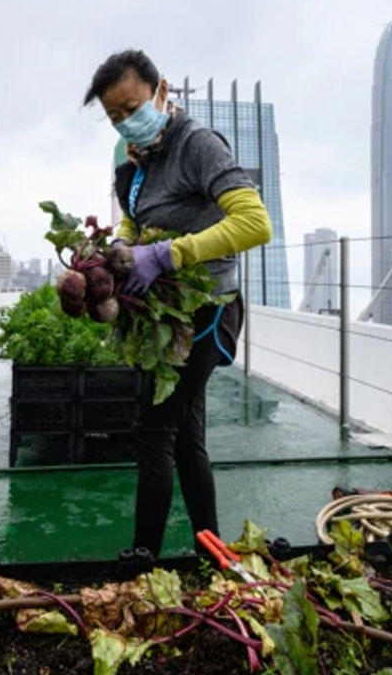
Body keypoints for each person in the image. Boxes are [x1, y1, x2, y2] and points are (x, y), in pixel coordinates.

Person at [83, 49, 273, 556]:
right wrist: (119, 249)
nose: (126, 122)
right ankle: (212, 550)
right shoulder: (136, 162)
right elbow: (132, 219)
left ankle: (143, 557)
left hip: (206, 310)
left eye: (132, 106)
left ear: (161, 91)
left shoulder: (197, 144)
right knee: (186, 435)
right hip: (164, 316)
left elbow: (256, 223)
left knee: (154, 430)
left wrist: (169, 254)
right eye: (115, 117)